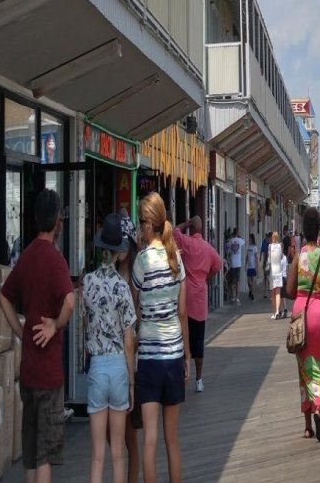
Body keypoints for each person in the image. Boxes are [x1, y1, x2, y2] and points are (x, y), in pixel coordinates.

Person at [0, 189, 75, 483]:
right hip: (49, 373)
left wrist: (21, 332)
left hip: (28, 372)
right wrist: (56, 324)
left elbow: (4, 297)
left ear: (33, 219)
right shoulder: (56, 261)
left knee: (30, 454)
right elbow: (70, 301)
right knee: (45, 456)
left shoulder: (27, 255)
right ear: (57, 220)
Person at [132, 191, 189, 483]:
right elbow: (183, 313)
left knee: (150, 442)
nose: (139, 226)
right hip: (174, 354)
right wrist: (187, 357)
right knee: (172, 440)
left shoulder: (141, 262)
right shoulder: (175, 260)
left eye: (141, 221)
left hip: (150, 360)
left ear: (148, 224)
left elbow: (135, 311)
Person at [83, 213, 137, 483]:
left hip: (96, 366)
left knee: (96, 456)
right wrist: (131, 383)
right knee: (118, 454)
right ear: (118, 253)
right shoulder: (122, 288)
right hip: (118, 368)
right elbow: (129, 342)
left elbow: (85, 321)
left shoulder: (88, 283)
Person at [285, 207, 320, 442]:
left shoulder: (299, 256)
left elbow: (288, 290)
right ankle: (319, 407)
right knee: (319, 366)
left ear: (304, 231)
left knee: (303, 367)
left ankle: (307, 426)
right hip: (319, 312)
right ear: (319, 231)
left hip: (301, 311)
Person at [174, 216, 222, 392]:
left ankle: (182, 375)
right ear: (202, 230)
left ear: (191, 229)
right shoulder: (208, 248)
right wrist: (206, 278)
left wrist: (184, 223)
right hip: (201, 297)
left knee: (182, 340)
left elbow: (173, 231)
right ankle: (199, 379)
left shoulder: (186, 242)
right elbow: (218, 266)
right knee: (199, 341)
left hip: (186, 298)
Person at [115, 212, 142, 483]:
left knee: (130, 441)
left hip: (131, 364)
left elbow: (138, 320)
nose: (121, 249)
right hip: (114, 365)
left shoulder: (136, 276)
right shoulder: (111, 278)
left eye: (125, 243)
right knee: (116, 444)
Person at [268, 232, 285, 319]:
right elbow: (281, 257)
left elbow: (269, 260)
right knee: (278, 293)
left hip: (272, 272)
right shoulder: (280, 246)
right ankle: (278, 311)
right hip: (279, 271)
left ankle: (274, 312)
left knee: (273, 294)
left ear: (272, 238)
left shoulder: (270, 246)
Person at [227, 228, 245, 305]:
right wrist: (239, 236)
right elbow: (244, 241)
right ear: (237, 233)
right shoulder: (240, 241)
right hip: (238, 264)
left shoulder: (231, 241)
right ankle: (237, 297)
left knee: (231, 281)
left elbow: (227, 246)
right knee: (237, 281)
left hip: (232, 264)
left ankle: (232, 296)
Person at [246, 234, 259, 301]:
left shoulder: (254, 247)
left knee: (253, 281)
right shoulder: (248, 247)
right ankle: (250, 290)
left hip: (253, 266)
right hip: (249, 266)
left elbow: (256, 258)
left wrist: (257, 267)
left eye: (250, 239)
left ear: (252, 239)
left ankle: (252, 294)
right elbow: (247, 256)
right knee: (248, 282)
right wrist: (245, 264)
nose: (249, 240)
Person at [261, 232, 271, 298]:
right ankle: (266, 292)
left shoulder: (270, 244)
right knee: (266, 277)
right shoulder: (265, 243)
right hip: (266, 261)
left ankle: (268, 292)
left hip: (269, 262)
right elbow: (262, 250)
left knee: (268, 277)